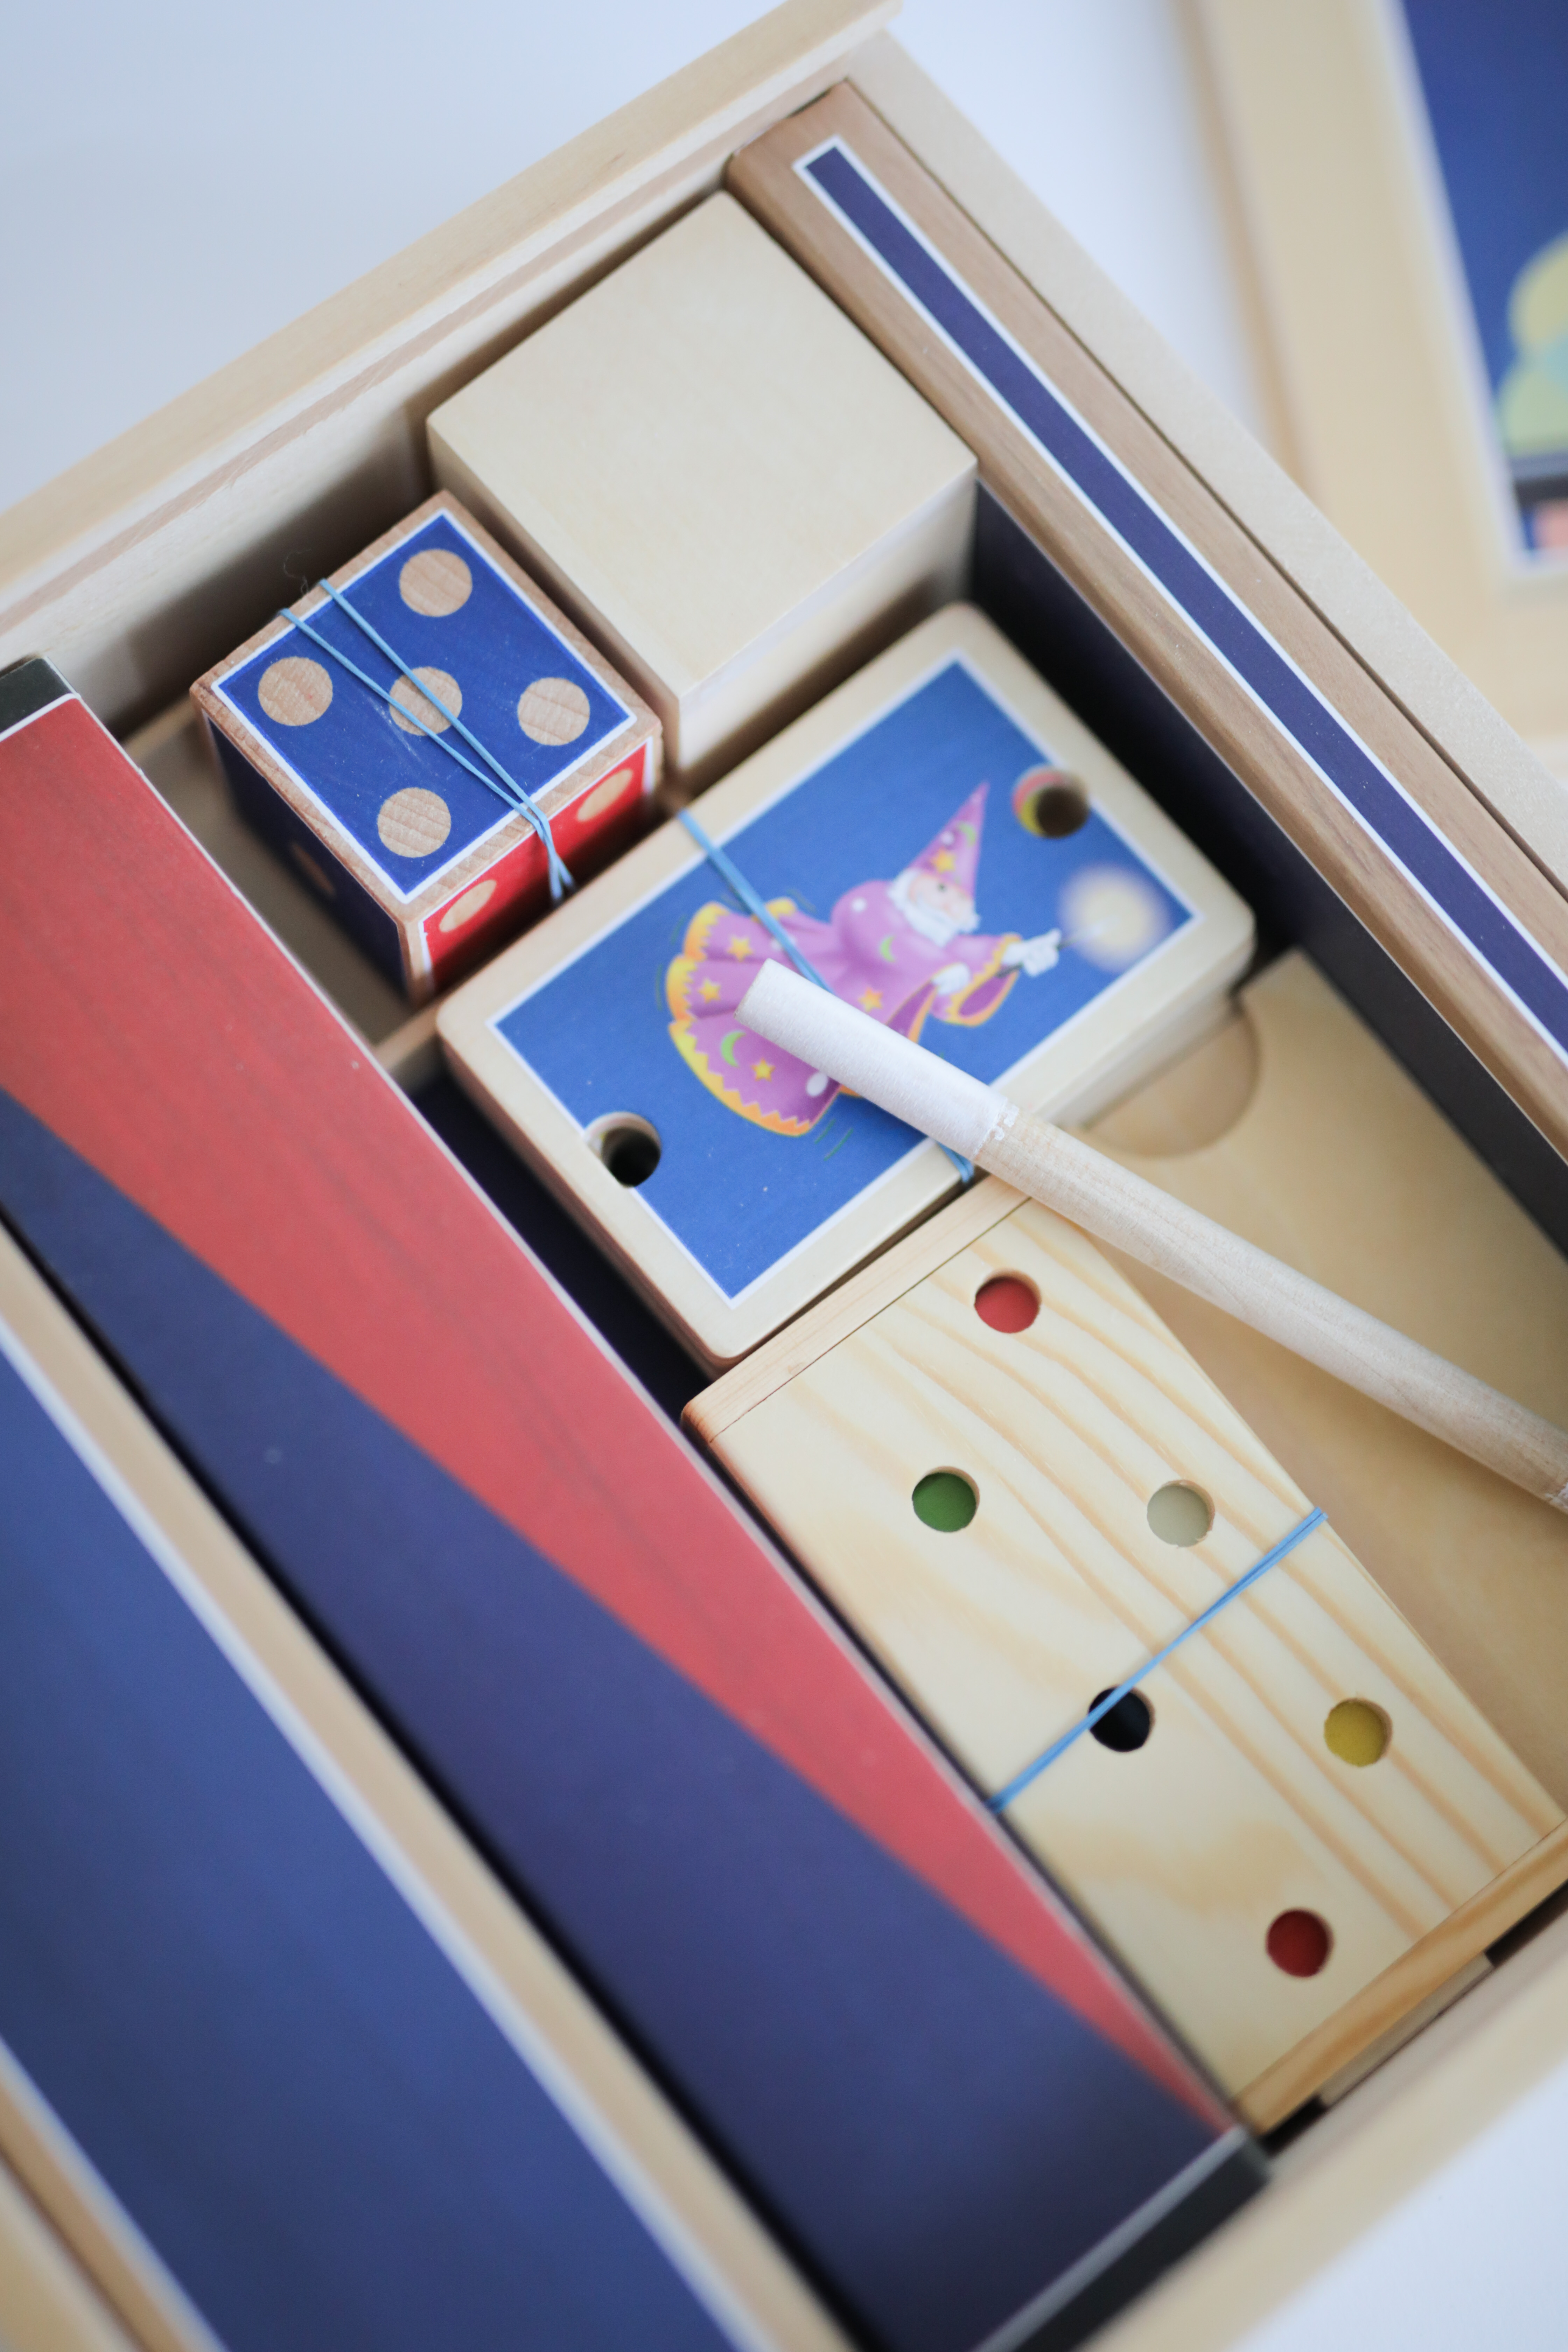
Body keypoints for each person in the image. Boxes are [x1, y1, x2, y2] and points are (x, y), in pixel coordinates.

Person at [667, 783, 1060, 1136]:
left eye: (959, 899)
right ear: (913, 880)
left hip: (852, 1043)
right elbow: (877, 936)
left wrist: (1008, 960)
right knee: (763, 1021)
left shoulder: (944, 951)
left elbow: (952, 985)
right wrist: (945, 966)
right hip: (821, 978)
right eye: (941, 888)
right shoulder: (878, 901)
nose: (947, 903)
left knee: (807, 1063)